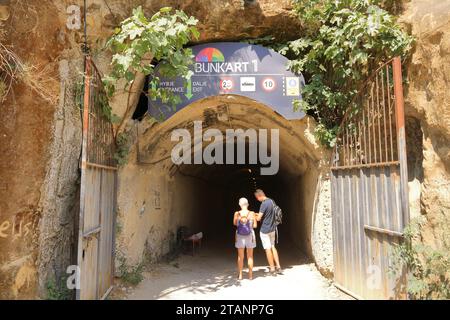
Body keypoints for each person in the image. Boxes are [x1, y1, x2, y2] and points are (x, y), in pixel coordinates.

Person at [254, 189, 281, 273]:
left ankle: (272, 268)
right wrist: (258, 214)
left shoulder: (263, 204)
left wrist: (253, 215)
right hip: (273, 229)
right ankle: (278, 266)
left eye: (257, 198)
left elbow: (259, 219)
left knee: (267, 248)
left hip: (265, 230)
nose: (257, 199)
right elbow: (268, 214)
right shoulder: (272, 201)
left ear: (259, 196)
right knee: (273, 247)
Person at [233, 197, 257, 280]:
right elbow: (255, 226)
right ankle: (250, 276)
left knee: (240, 256)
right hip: (250, 235)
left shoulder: (237, 213)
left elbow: (235, 224)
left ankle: (240, 275)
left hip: (240, 236)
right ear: (248, 204)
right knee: (250, 256)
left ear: (239, 204)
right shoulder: (252, 213)